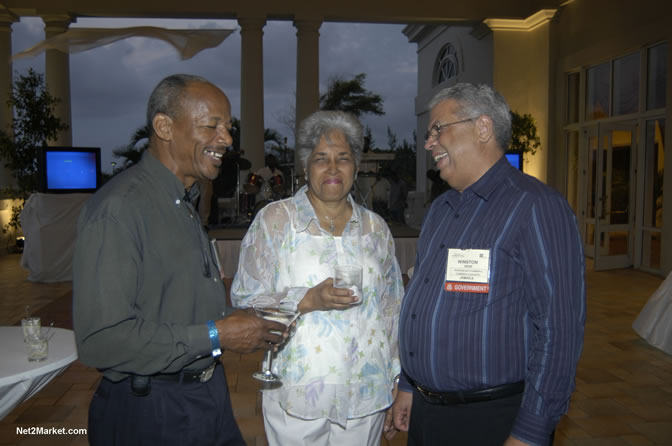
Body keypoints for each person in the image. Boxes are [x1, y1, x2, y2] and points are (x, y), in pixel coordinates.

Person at [72, 74, 289, 446]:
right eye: (212, 126)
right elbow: (101, 341)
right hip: (150, 410)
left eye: (228, 127)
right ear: (164, 127)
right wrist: (216, 334)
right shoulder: (120, 209)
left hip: (206, 395)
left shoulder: (183, 203)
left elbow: (170, 303)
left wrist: (236, 322)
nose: (227, 139)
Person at [387, 83, 586, 446]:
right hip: (428, 414)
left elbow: (559, 332)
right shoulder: (440, 212)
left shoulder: (536, 206)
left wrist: (530, 432)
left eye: (437, 129)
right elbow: (425, 303)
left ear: (482, 127)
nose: (429, 142)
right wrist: (408, 385)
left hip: (491, 420)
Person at [231, 110, 404, 446]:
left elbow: (391, 307)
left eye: (343, 158)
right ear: (305, 166)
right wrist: (306, 299)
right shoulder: (276, 221)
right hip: (299, 388)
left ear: (356, 165)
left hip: (365, 391)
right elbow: (245, 298)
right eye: (321, 158)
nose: (333, 168)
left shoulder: (375, 229)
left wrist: (396, 376)